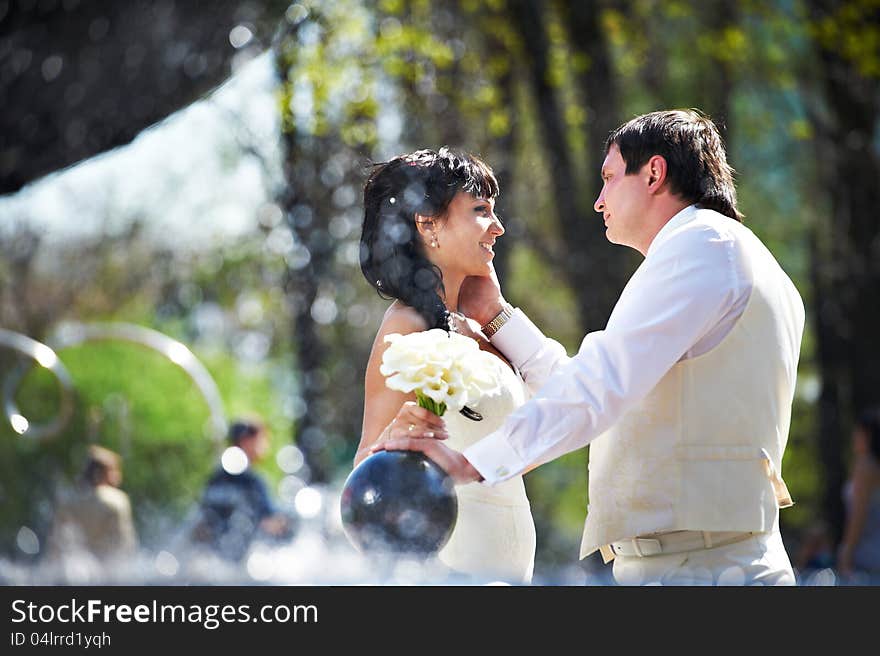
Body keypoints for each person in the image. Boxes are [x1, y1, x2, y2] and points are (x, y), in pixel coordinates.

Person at [376, 109, 806, 586]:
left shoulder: (701, 247)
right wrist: (498, 315)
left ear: (654, 174)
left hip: (702, 568)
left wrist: (469, 464)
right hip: (704, 561)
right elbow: (601, 391)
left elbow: (599, 389)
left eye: (608, 179)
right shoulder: (734, 254)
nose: (599, 201)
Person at [355, 147, 536, 583]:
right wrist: (394, 444)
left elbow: (549, 426)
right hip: (455, 567)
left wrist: (497, 313)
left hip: (513, 564)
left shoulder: (483, 327)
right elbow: (365, 468)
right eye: (480, 210)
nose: (498, 227)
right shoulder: (406, 325)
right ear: (428, 224)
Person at [192, 418, 292, 562]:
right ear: (246, 441)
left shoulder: (215, 479)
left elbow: (203, 524)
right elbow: (269, 522)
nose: (266, 446)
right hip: (245, 565)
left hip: (215, 560)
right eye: (262, 441)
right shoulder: (252, 481)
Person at [46, 445, 138, 563]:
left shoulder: (68, 500)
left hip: (76, 569)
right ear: (107, 473)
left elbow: (56, 544)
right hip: (109, 570)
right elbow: (125, 543)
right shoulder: (117, 500)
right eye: (116, 470)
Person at [837, 408, 880, 584]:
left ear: (868, 435)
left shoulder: (865, 466)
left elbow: (858, 515)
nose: (854, 435)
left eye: (858, 431)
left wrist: (846, 550)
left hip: (867, 552)